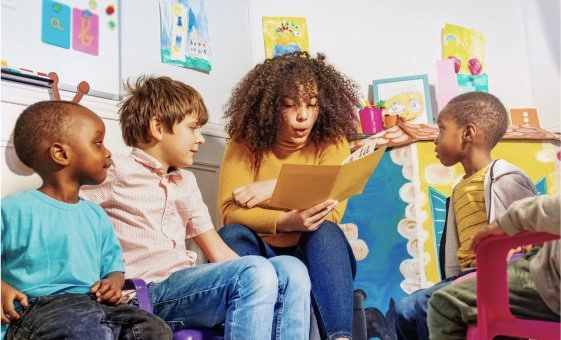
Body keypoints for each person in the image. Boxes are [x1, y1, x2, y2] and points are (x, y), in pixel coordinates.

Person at [80, 75, 311, 340]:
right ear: (157, 126)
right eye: (193, 128)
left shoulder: (186, 182)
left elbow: (216, 250)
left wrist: (266, 276)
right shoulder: (118, 171)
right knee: (255, 271)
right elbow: (65, 208)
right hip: (144, 293)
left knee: (291, 269)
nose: (200, 138)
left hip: (185, 288)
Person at [217, 51, 360, 340]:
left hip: (316, 253)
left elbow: (328, 210)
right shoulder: (245, 140)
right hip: (262, 250)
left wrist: (268, 188)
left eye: (312, 104)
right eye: (288, 105)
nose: (302, 116)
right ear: (269, 106)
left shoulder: (332, 140)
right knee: (232, 234)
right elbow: (230, 211)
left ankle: (341, 338)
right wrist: (286, 220)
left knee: (327, 232)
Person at [1, 100, 172, 339]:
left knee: (154, 328)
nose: (108, 152)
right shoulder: (12, 209)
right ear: (61, 154)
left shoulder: (96, 215)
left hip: (93, 304)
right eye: (98, 142)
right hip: (34, 310)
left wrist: (112, 283)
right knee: (87, 329)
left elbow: (113, 268)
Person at [392, 91, 538, 340]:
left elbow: (537, 224)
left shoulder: (506, 177)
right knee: (404, 310)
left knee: (431, 305)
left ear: (468, 134)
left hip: (500, 275)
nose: (435, 139)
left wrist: (526, 241)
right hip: (468, 275)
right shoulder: (460, 187)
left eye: (441, 129)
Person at [427, 194, 560, 339]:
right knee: (411, 308)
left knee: (442, 304)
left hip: (546, 277)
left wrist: (510, 222)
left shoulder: (507, 177)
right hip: (537, 259)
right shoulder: (458, 192)